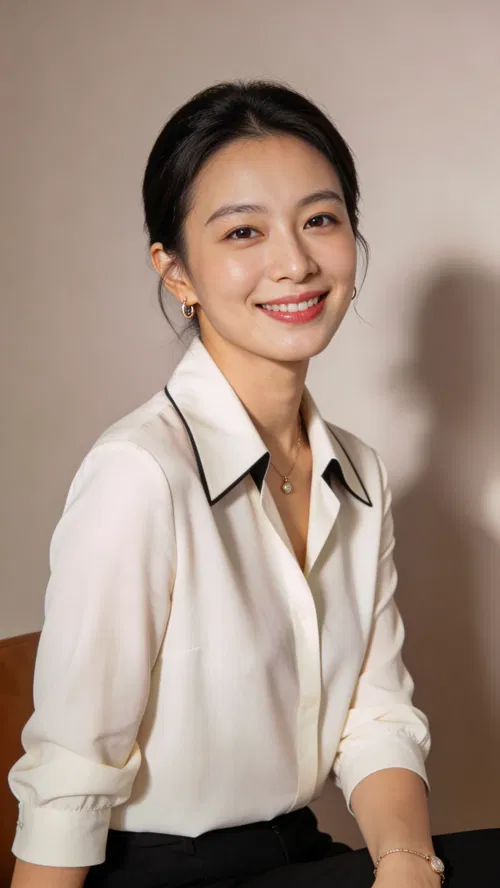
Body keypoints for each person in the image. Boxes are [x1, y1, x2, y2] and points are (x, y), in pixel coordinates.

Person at [8, 80, 498, 888]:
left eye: (320, 219)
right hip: (159, 873)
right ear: (177, 273)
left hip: (297, 852)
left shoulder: (358, 471)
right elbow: (70, 772)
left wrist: (408, 867)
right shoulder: (139, 474)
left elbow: (375, 720)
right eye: (243, 230)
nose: (295, 261)